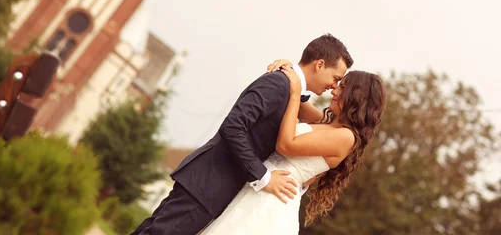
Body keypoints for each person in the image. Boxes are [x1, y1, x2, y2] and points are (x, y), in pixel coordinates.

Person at [131, 34, 353, 235]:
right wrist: (263, 177)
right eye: (335, 77)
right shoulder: (278, 84)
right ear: (320, 64)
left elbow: (318, 120)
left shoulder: (290, 90)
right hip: (209, 184)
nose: (334, 86)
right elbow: (233, 127)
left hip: (211, 187)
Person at [200, 63, 387, 233]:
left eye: (342, 86)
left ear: (357, 96)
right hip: (261, 189)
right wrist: (290, 68)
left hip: (273, 201)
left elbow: (286, 145)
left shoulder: (346, 137)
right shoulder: (326, 122)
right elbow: (295, 94)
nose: (334, 90)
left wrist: (296, 94)